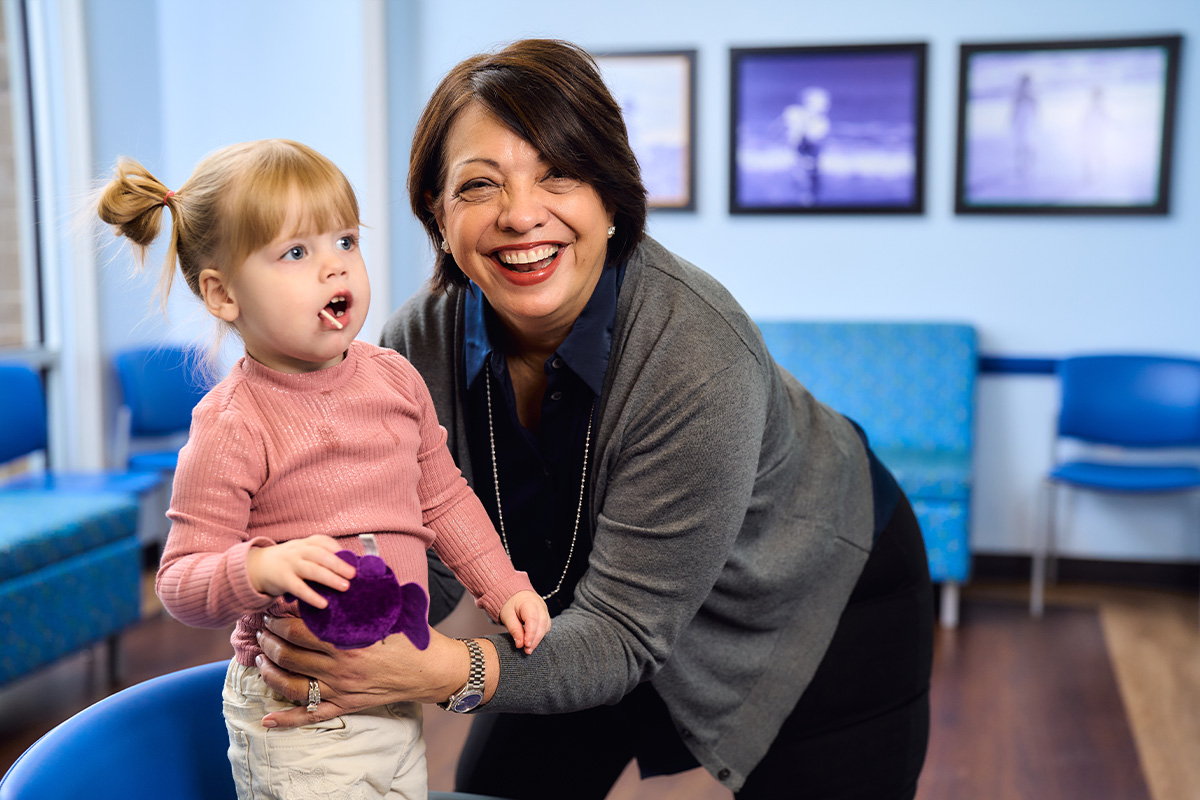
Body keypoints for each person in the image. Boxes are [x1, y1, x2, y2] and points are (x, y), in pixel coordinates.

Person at [254, 40, 934, 799]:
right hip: (590, 607)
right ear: (438, 218)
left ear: (611, 199)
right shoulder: (418, 343)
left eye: (559, 175)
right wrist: (330, 610)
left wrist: (439, 669)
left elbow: (624, 632)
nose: (520, 215)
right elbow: (429, 545)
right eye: (479, 185)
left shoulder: (697, 353)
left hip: (810, 588)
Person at [96, 139, 551, 800]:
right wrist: (258, 568)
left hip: (393, 688)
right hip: (298, 718)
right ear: (223, 294)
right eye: (296, 253)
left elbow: (444, 497)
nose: (334, 269)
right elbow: (178, 581)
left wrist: (502, 586)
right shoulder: (233, 423)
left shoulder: (395, 378)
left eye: (344, 241)